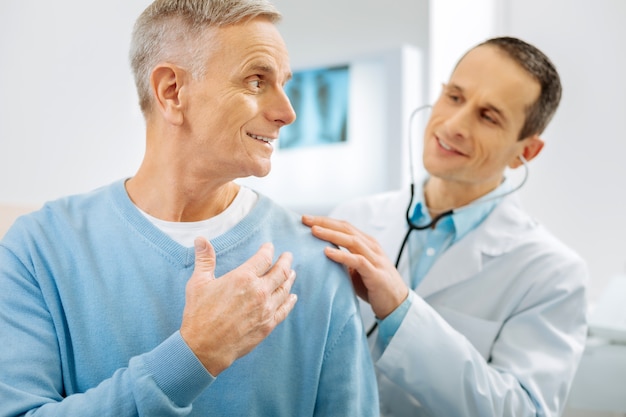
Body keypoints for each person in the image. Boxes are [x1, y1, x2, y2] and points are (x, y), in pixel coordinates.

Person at [0, 1, 378, 416]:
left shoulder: (315, 261)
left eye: (283, 83)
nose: (287, 113)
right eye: (256, 80)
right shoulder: (39, 250)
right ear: (172, 91)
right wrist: (194, 356)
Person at [302, 36, 588, 416]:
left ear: (526, 152)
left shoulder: (553, 274)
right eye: (454, 97)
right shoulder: (354, 217)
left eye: (489, 116)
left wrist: (400, 311)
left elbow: (524, 410)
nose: (453, 125)